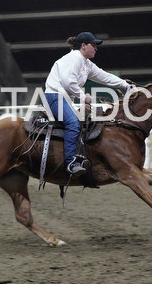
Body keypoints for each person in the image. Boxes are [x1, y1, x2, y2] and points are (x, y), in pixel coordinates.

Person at [44, 32, 135, 176]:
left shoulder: (86, 63)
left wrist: (125, 84)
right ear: (83, 46)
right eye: (93, 45)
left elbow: (104, 76)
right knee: (73, 124)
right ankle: (70, 163)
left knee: (85, 122)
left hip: (63, 98)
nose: (96, 48)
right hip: (54, 96)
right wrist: (82, 96)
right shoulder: (74, 58)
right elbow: (68, 82)